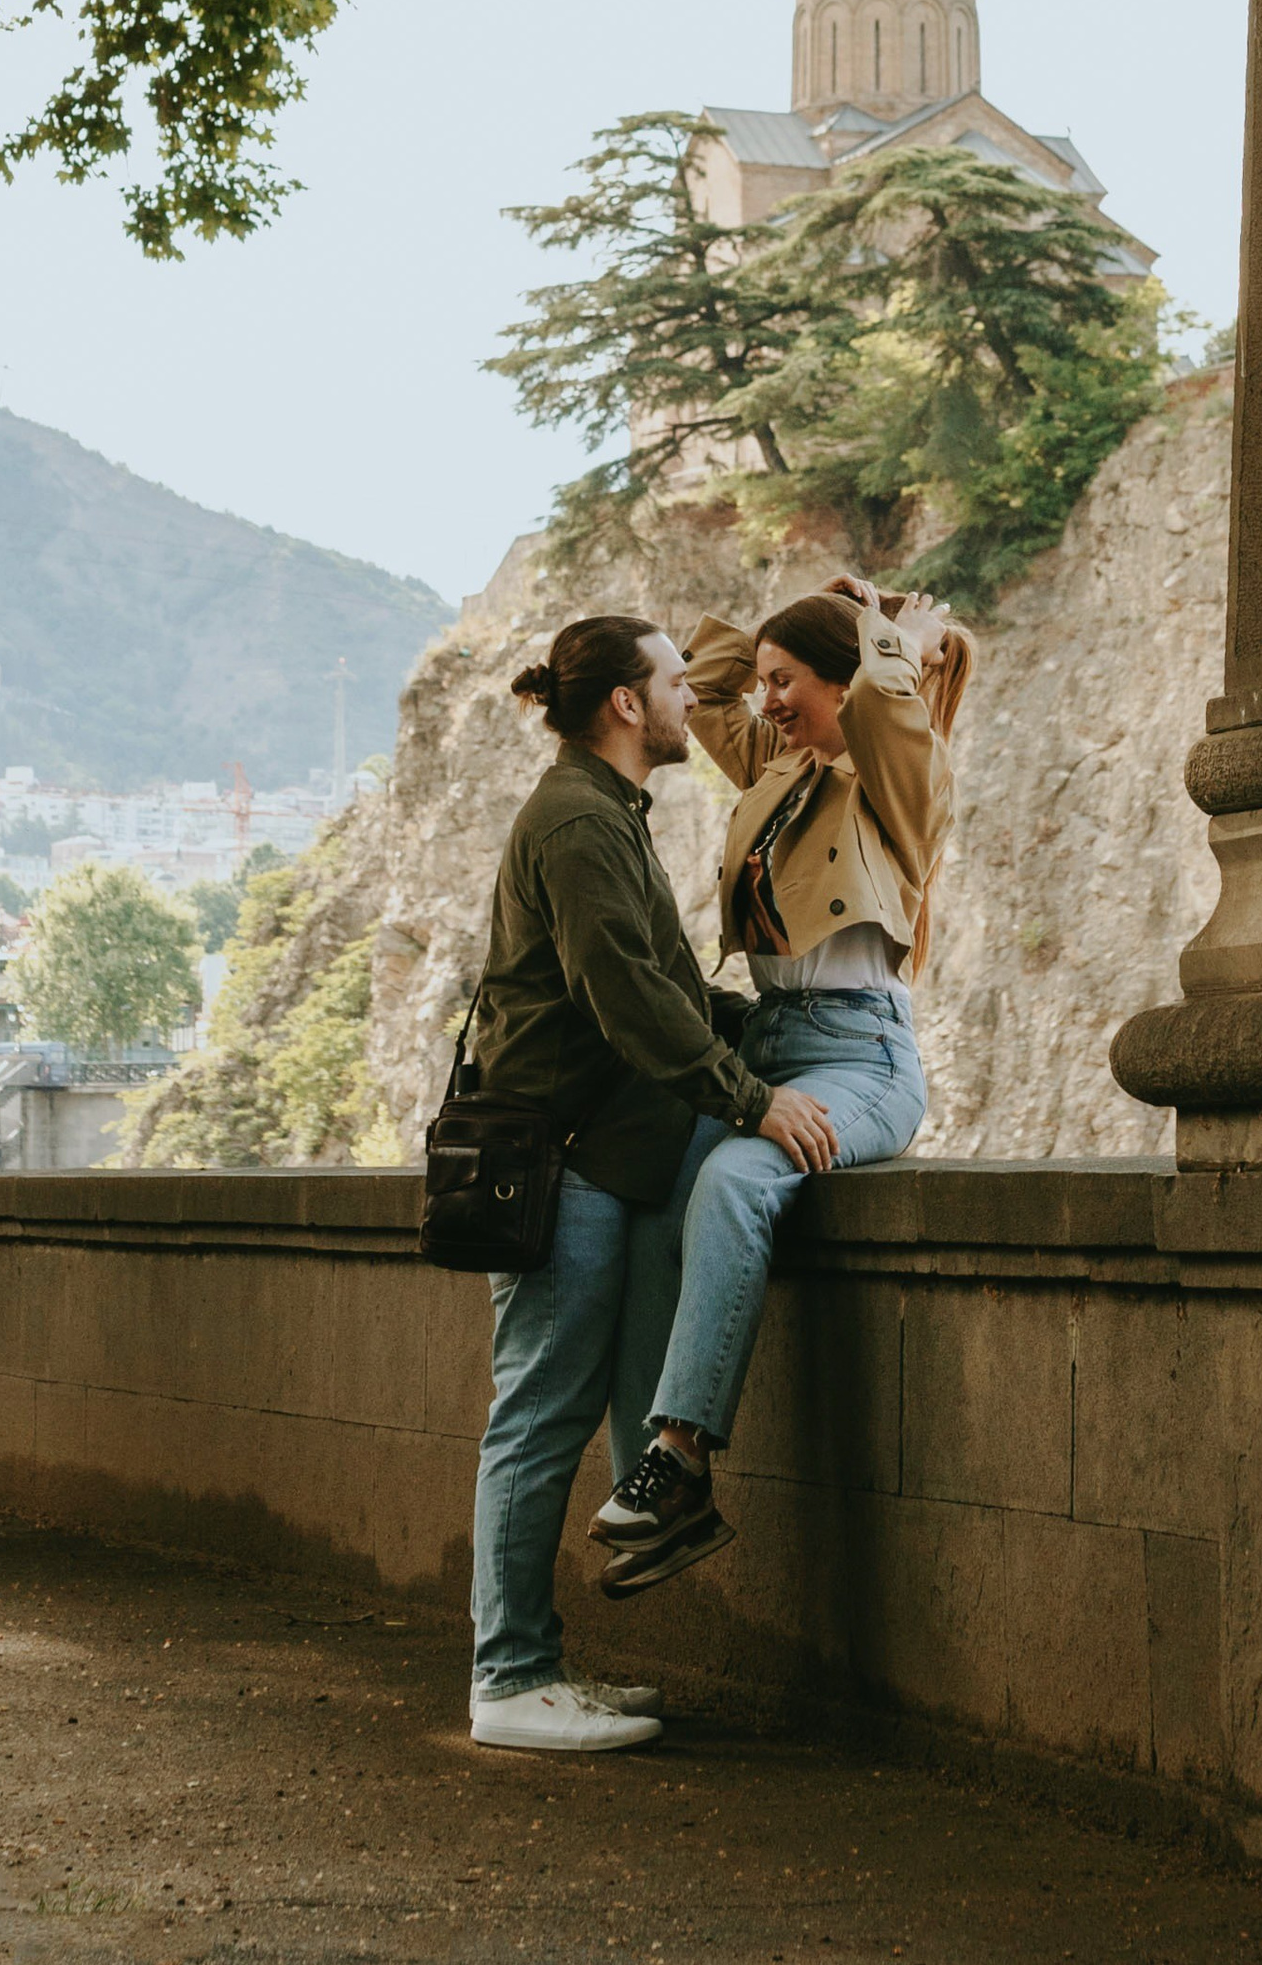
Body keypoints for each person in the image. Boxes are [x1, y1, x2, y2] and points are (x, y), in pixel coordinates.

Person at [464, 612, 836, 1755]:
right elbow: (628, 995)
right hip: (564, 1158)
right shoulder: (577, 819)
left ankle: (536, 1666)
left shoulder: (603, 809)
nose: (696, 695)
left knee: (550, 1409)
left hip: (597, 1154)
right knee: (536, 1417)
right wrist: (751, 1096)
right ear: (626, 703)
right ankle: (509, 1674)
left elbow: (668, 986)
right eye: (674, 680)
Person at [587, 575, 974, 1596]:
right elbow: (703, 691)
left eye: (786, 681)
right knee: (658, 1205)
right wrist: (808, 605)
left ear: (845, 684)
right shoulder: (782, 767)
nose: (765, 701)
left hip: (862, 1060)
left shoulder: (899, 777)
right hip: (768, 1048)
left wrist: (899, 634)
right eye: (765, 682)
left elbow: (890, 705)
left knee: (733, 1184)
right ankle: (663, 1491)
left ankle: (682, 1453)